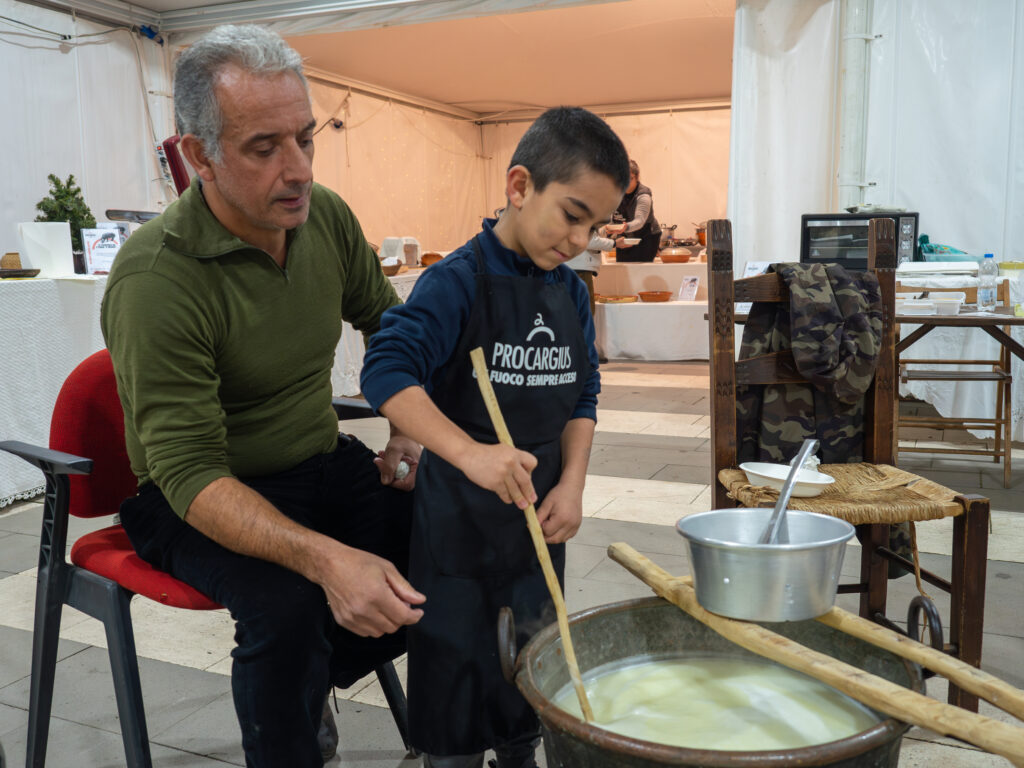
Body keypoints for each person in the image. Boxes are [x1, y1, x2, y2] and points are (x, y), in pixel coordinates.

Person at [99, 24, 424, 767]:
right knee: (289, 609)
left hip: (315, 460)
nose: (300, 168)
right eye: (264, 147)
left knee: (450, 540)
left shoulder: (326, 218)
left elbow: (393, 328)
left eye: (306, 138)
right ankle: (293, 736)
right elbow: (186, 472)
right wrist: (326, 560)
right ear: (197, 155)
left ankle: (325, 690)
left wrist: (407, 428)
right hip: (196, 493)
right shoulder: (158, 279)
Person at [360, 106, 630, 768]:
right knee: (455, 703)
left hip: (536, 531)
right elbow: (386, 370)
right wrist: (469, 454)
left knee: (529, 685)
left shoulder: (572, 293)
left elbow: (583, 394)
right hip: (457, 534)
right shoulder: (456, 282)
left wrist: (571, 483)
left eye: (595, 226)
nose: (579, 239)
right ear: (519, 187)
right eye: (571, 214)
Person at [609, 159, 660, 262]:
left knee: (642, 271)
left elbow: (640, 221)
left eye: (629, 178)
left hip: (646, 237)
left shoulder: (643, 194)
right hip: (625, 237)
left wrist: (625, 227)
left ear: (637, 177)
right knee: (622, 270)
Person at [565, 230, 615, 315]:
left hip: (571, 265)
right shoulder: (582, 216)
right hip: (578, 267)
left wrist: (605, 231)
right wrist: (614, 243)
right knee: (584, 312)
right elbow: (588, 240)